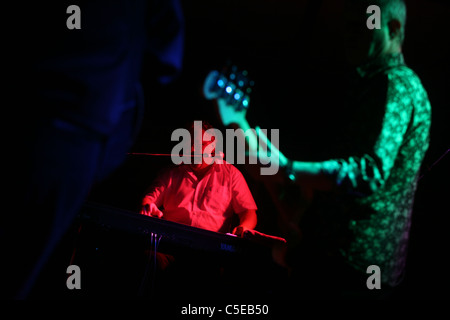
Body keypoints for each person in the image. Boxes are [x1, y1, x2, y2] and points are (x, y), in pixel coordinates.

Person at [212, 0, 432, 299]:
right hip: (340, 263)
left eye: (363, 24)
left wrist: (288, 169)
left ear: (393, 29)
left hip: (350, 266)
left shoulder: (394, 84)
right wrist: (250, 138)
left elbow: (369, 173)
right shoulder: (372, 87)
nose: (349, 34)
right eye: (347, 25)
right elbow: (336, 192)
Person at [3, 0, 184, 299]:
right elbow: (166, 54)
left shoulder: (227, 176)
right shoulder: (173, 171)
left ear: (214, 146)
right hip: (77, 129)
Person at [138, 120, 258, 298]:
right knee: (148, 259)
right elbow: (150, 198)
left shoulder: (231, 174)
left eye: (199, 144)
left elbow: (248, 212)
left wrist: (243, 229)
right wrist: (148, 205)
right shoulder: (172, 173)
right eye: (188, 144)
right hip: (169, 246)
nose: (192, 150)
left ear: (213, 145)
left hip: (209, 252)